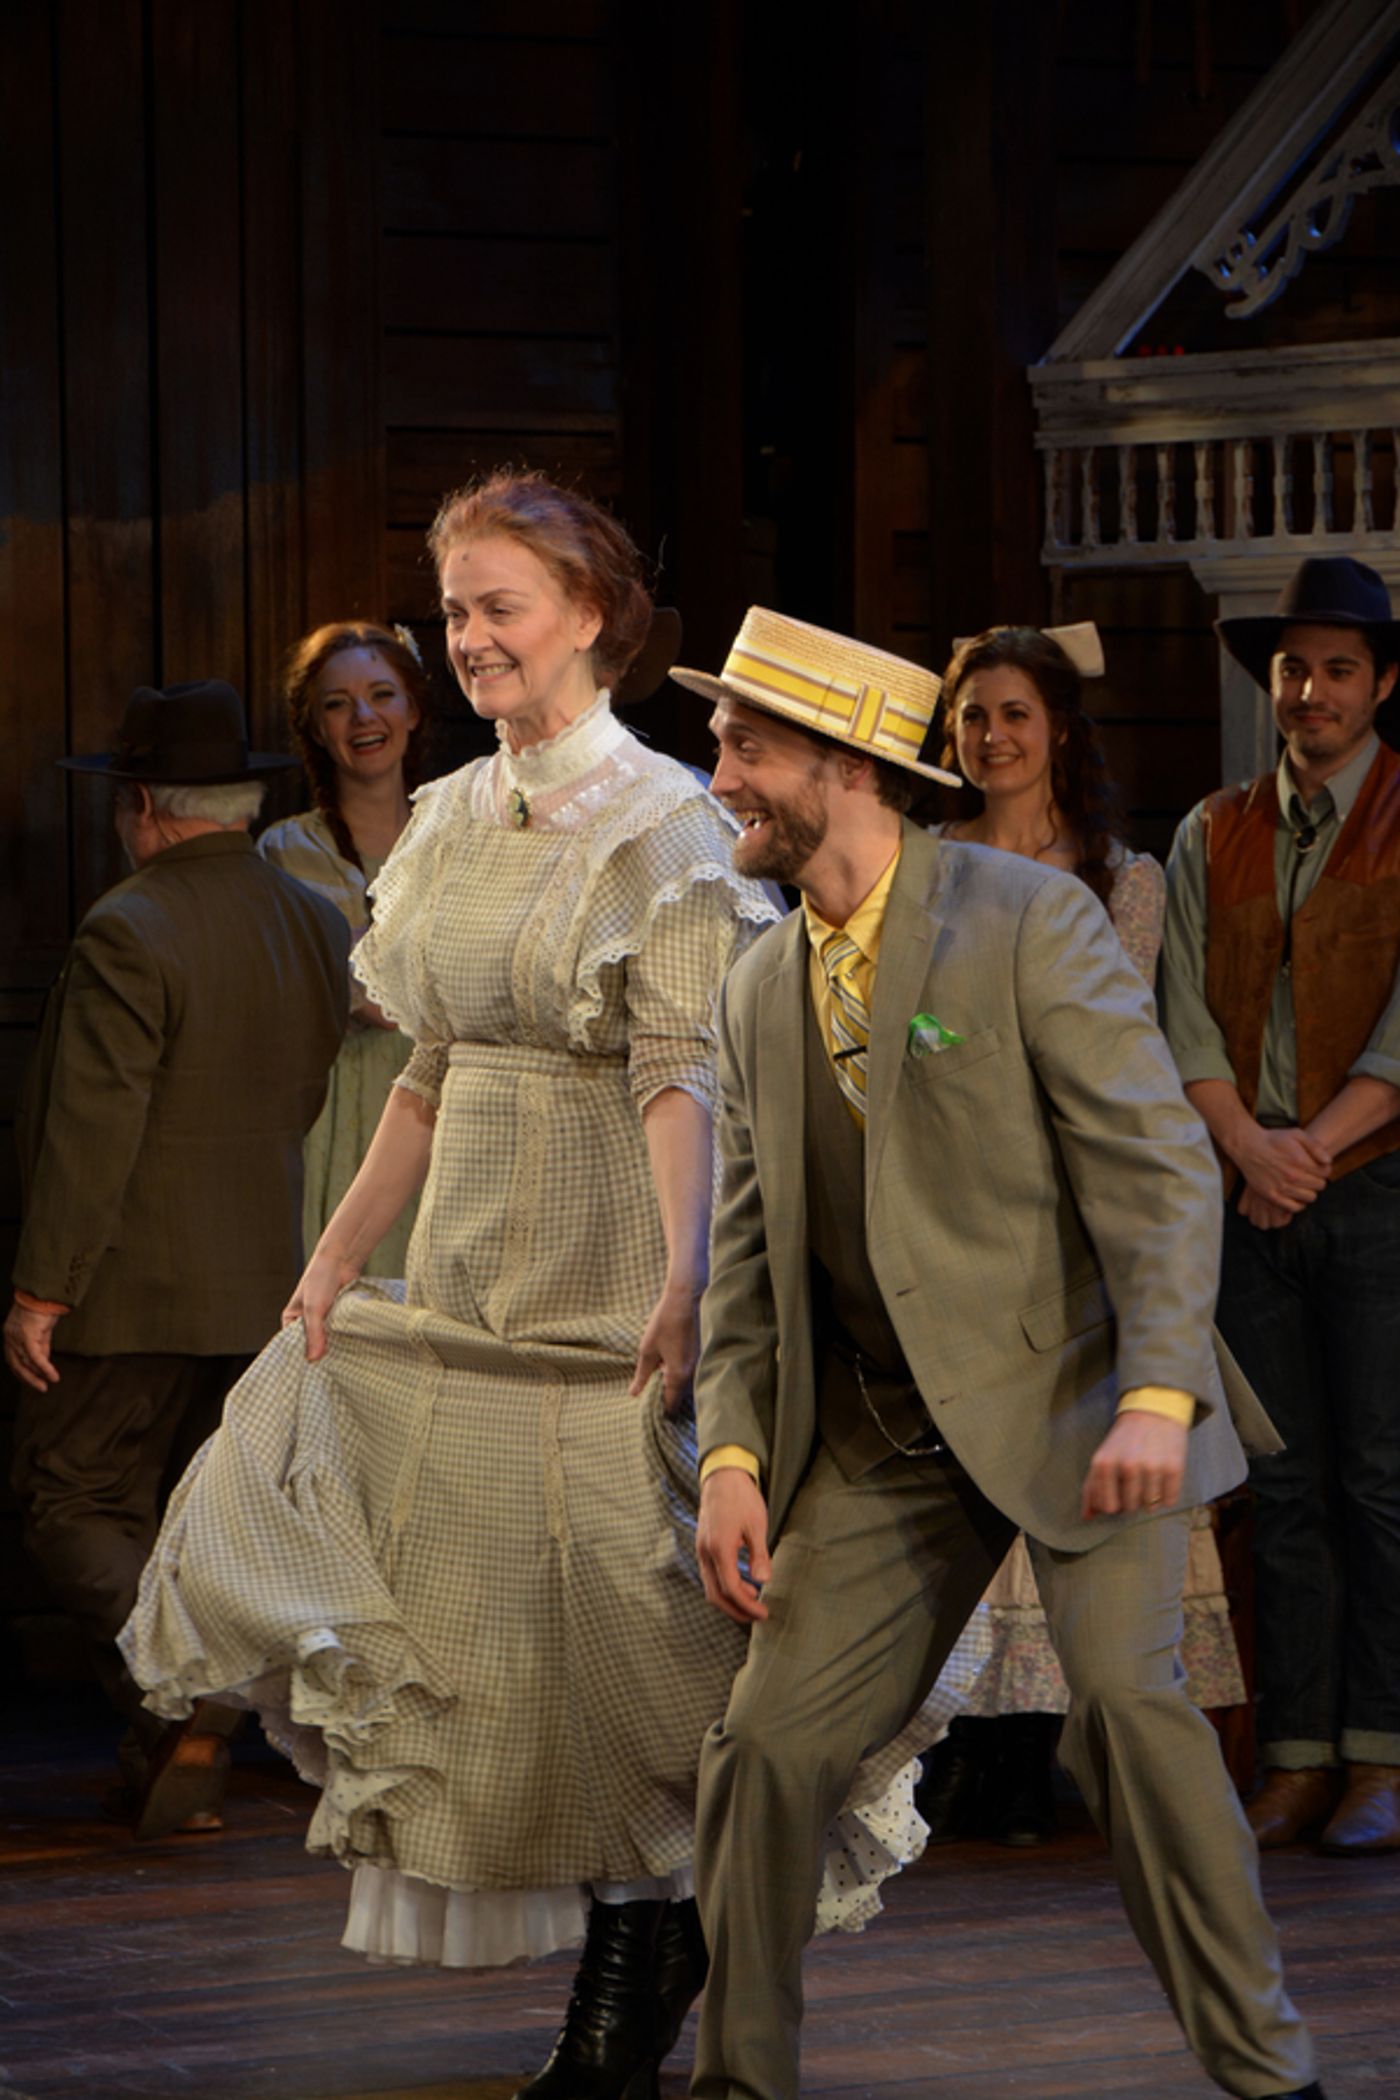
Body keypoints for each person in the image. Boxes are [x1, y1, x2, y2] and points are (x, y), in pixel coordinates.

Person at [121, 480, 959, 2100]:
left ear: (589, 614)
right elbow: (427, 1073)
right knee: (526, 1661)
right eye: (457, 611)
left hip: (612, 1287)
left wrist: (682, 1288)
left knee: (650, 1650)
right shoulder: (448, 816)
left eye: (502, 604)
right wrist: (338, 1254)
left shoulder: (668, 827)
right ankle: (633, 1998)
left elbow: (682, 1084)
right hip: (477, 1286)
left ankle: (630, 2006)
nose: (475, 637)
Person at [671, 605, 1323, 2100]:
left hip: (1084, 1398)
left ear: (845, 763)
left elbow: (1158, 1169)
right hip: (887, 1442)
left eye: (746, 744)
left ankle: (1273, 2076)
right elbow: (752, 1270)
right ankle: (735, 2084)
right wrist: (729, 1455)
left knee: (1131, 1724)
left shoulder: (1026, 922)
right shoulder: (759, 986)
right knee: (762, 1754)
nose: (718, 774)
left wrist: (1159, 1390)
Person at [6, 680, 349, 1836]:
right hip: (259, 1279)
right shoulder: (313, 924)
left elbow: (92, 1128)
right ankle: (170, 1744)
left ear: (145, 805)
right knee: (194, 1521)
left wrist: (44, 1286)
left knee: (74, 1501)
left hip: (131, 1284)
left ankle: (185, 1693)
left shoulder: (128, 924)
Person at [928, 622, 1242, 1845]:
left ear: (1058, 727)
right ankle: (967, 1735)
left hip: (1077, 1196)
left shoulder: (1124, 875)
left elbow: (1121, 1052)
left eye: (1014, 713)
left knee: (1064, 1437)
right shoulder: (929, 861)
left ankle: (1048, 1743)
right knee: (970, 1445)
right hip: (960, 1196)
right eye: (973, 718)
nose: (993, 737)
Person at [1160, 554, 1400, 1857]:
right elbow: (1181, 1010)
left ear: (1384, 684)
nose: (1310, 691)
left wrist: (1308, 1150)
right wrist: (1252, 1148)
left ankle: (1384, 1758)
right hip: (1248, 1187)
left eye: (1339, 670)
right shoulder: (1215, 827)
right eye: (1295, 670)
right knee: (1285, 1481)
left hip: (1376, 1188)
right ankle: (1298, 1758)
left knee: (1380, 1478)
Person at [259, 620, 435, 1276]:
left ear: (412, 709)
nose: (363, 715)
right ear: (315, 727)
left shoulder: (457, 838)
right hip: (325, 1116)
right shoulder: (284, 851)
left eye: (382, 694)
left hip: (437, 1115)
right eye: (337, 703)